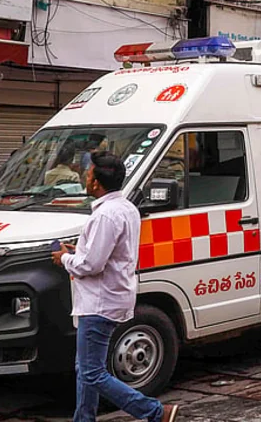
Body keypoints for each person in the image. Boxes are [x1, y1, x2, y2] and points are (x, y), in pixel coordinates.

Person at [51, 152, 180, 422]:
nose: (85, 177)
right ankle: (84, 418)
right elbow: (109, 252)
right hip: (112, 297)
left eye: (88, 174)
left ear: (96, 183)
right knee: (86, 367)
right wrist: (82, 250)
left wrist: (63, 258)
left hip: (99, 302)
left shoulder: (105, 216)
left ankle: (155, 411)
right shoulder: (126, 208)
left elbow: (91, 265)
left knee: (91, 372)